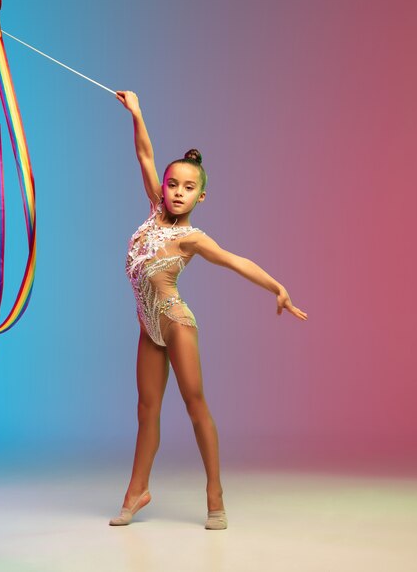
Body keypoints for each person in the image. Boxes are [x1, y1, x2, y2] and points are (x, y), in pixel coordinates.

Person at [109, 91, 308, 530]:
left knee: (195, 405)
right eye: (172, 185)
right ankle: (137, 490)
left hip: (175, 323)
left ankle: (214, 494)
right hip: (147, 327)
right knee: (146, 409)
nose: (178, 193)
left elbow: (236, 261)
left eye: (189, 188)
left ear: (202, 196)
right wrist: (138, 112)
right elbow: (145, 153)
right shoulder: (152, 212)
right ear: (163, 187)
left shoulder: (192, 238)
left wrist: (277, 287)